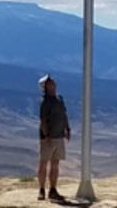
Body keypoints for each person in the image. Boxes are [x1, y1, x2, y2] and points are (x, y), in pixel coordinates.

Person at [37, 74, 70, 202]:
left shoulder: (59, 99)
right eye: (50, 82)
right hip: (49, 138)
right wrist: (46, 136)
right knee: (44, 163)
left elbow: (64, 114)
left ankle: (53, 189)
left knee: (55, 164)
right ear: (45, 86)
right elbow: (43, 120)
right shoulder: (45, 102)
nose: (53, 83)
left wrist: (67, 129)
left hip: (59, 136)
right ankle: (41, 189)